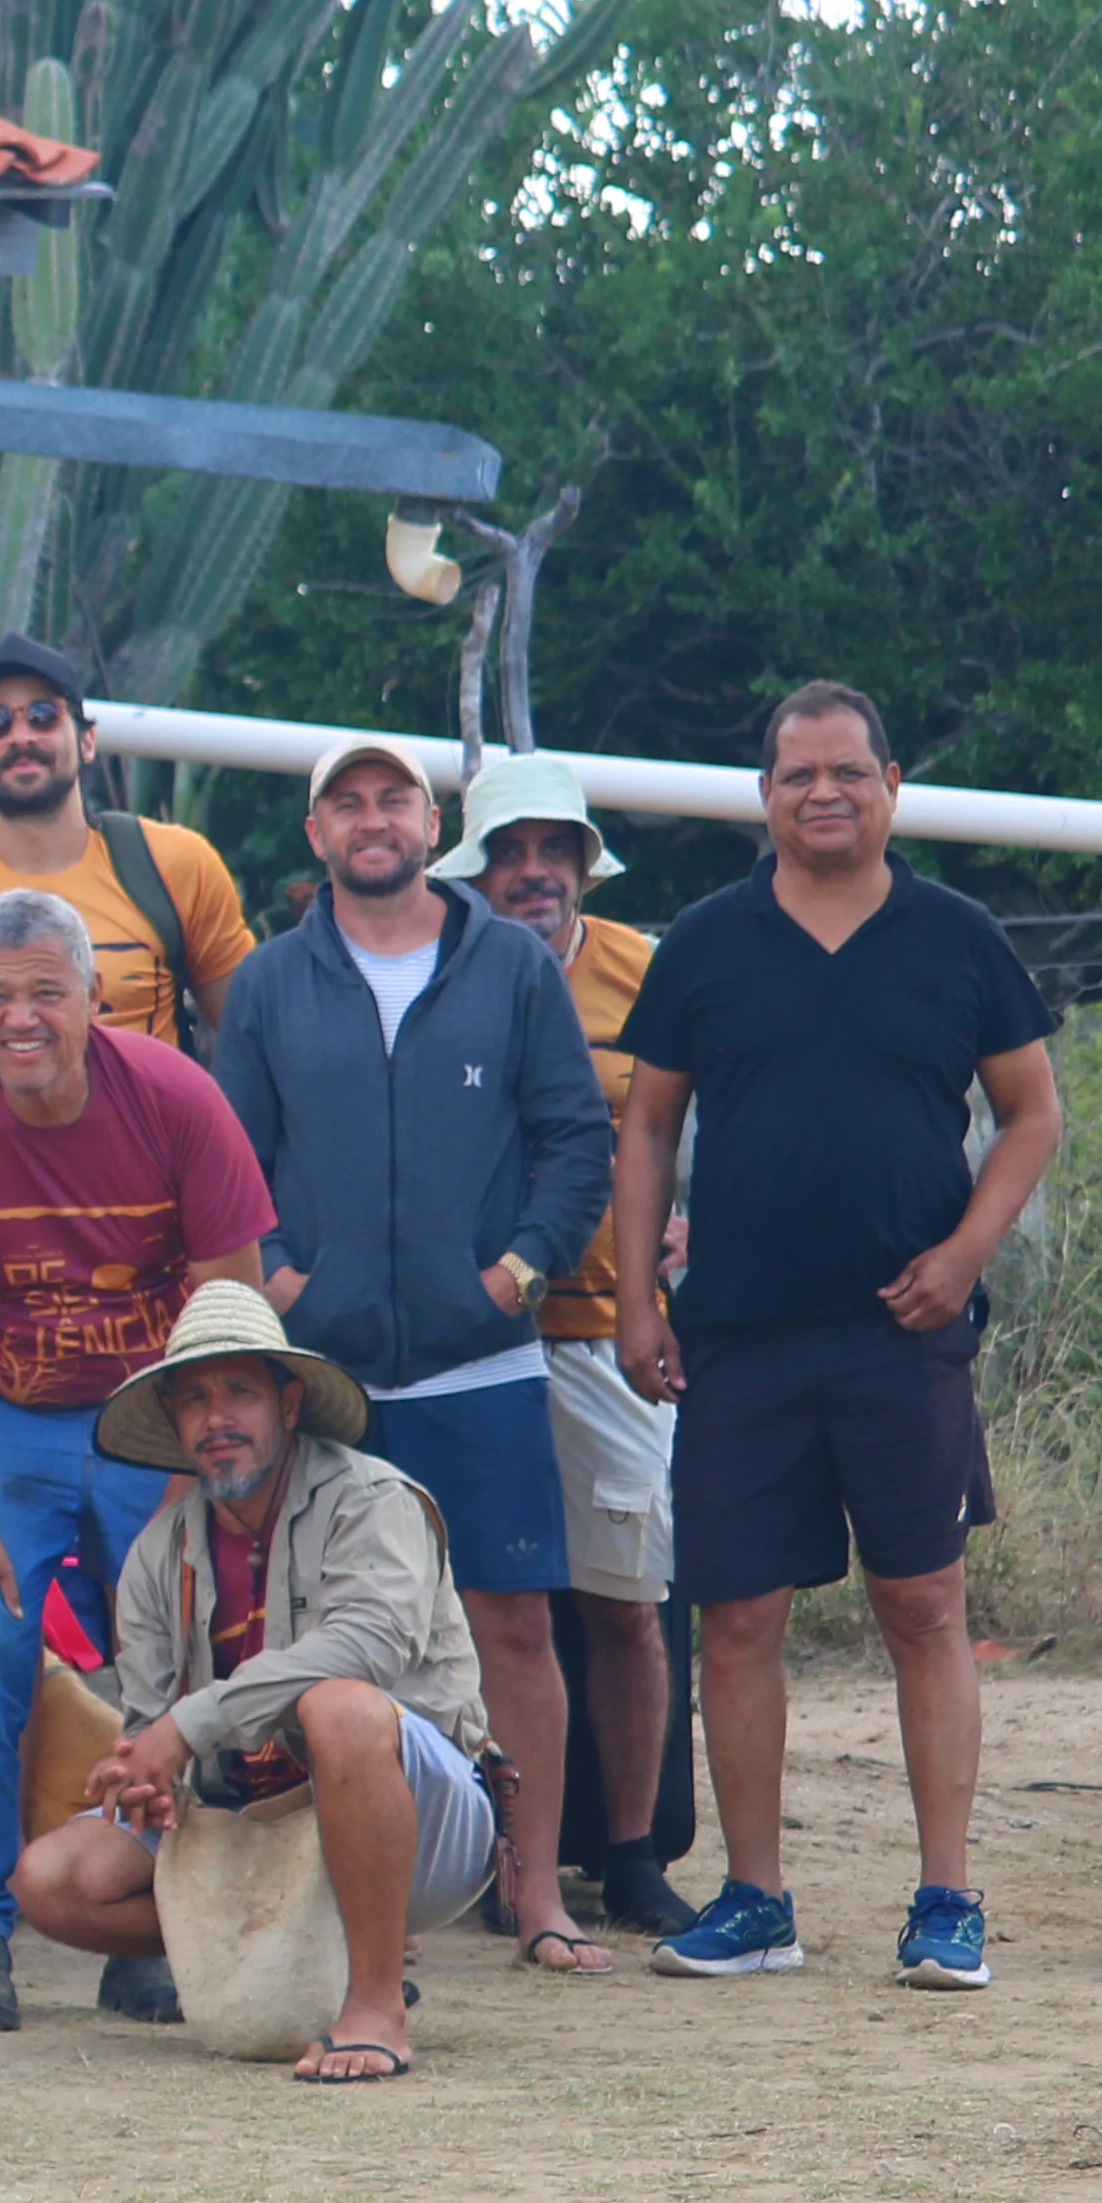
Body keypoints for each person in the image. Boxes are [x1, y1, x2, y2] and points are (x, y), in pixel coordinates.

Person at [611, 682, 1059, 1990]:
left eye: (848, 773)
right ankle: (758, 1903)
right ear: (763, 794)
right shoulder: (704, 943)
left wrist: (965, 1253)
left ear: (891, 784)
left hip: (902, 1331)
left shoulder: (957, 936)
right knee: (737, 1618)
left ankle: (947, 1900)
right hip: (738, 1335)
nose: (824, 793)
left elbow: (1031, 1113)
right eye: (798, 774)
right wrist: (637, 1299)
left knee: (922, 1603)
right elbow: (645, 1128)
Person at [209, 736, 621, 1970]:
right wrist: (279, 1275)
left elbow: (575, 1140)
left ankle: (534, 1889)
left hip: (478, 1362)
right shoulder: (272, 982)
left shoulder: (512, 965)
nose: (372, 820)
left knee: (511, 1625)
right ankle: (336, 1891)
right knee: (320, 1633)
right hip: (323, 1377)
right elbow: (230, 1153)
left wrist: (518, 1273)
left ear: (433, 822)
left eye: (394, 799)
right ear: (315, 832)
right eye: (348, 802)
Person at [0, 889, 277, 2032]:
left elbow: (231, 1309)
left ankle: (143, 1922)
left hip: (159, 1409)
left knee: (179, 1667)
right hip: (3, 1406)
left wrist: (202, 1487)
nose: (22, 1018)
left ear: (99, 997)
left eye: (48, 990)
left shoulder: (178, 1100)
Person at [15, 1286, 504, 2084]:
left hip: (423, 1819)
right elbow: (153, 1722)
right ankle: (299, 1962)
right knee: (52, 1880)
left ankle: (378, 2003)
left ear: (288, 1402)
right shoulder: (154, 1553)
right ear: (174, 1423)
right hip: (253, 1822)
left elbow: (372, 1648)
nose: (218, 1419)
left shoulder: (373, 1499)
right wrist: (153, 1774)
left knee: (340, 1706)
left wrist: (190, 1725)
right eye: (196, 1400)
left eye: (241, 1391)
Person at [446, 752, 692, 1940]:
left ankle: (631, 1851)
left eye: (557, 849)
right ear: (474, 863)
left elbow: (710, 1119)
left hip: (607, 1326)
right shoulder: (438, 958)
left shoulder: (645, 970)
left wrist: (696, 1224)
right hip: (467, 1333)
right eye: (509, 849)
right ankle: (498, 1855)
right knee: (484, 1610)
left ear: (588, 862)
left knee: (624, 1602)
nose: (533, 871)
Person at [0, 635, 252, 1065]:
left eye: (44, 716)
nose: (21, 737)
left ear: (86, 742)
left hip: (142, 1130)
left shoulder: (174, 863)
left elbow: (257, 1034)